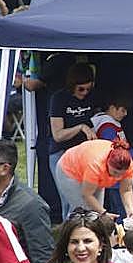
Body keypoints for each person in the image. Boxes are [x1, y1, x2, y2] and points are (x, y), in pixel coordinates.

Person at [54, 138, 133, 220]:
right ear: (108, 163)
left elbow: (126, 190)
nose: (118, 177)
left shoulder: (128, 165)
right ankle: (71, 230)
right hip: (69, 170)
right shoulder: (96, 165)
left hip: (93, 174)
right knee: (86, 214)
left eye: (122, 174)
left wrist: (130, 211)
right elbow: (87, 194)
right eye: (115, 172)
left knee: (96, 215)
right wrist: (103, 213)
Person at [48, 62, 97, 192]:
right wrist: (81, 127)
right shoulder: (59, 98)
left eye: (88, 88)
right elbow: (58, 135)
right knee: (70, 198)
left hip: (85, 153)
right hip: (62, 152)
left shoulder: (93, 97)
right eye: (81, 89)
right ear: (72, 85)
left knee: (88, 196)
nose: (85, 92)